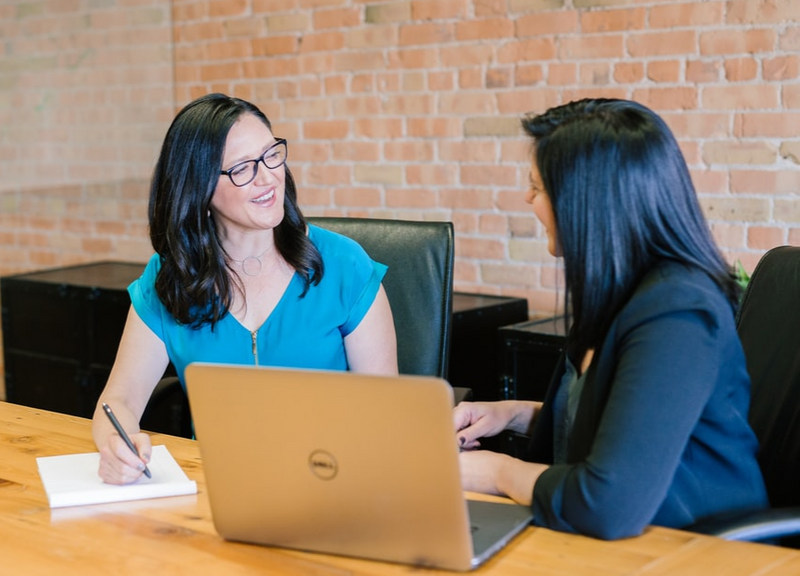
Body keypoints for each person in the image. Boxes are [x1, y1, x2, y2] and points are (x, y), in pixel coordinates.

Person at [453, 98, 768, 539]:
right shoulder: (619, 292)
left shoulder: (678, 313)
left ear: (587, 203)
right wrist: (512, 414)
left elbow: (607, 504)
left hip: (695, 546)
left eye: (538, 187)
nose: (527, 198)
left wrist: (496, 472)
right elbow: (616, 423)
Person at [93, 93, 397, 484]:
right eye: (242, 169)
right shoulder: (170, 279)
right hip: (217, 486)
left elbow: (386, 411)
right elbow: (118, 400)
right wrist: (115, 447)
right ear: (199, 189)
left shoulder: (344, 265)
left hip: (333, 479)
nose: (269, 177)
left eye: (272, 155)